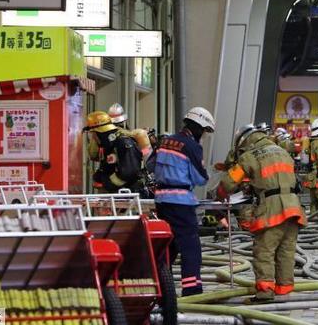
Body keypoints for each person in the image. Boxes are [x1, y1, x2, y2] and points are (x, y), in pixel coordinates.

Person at [219, 124, 305, 304]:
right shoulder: (283, 152)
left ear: (245, 141)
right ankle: (284, 289)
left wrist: (220, 193)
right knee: (286, 251)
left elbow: (228, 184)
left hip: (272, 209)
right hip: (293, 207)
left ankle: (265, 292)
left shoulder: (250, 156)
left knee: (264, 251)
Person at [147, 106, 215, 296]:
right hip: (181, 202)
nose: (204, 135)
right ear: (199, 127)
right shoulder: (191, 146)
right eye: (204, 131)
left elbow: (150, 165)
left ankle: (162, 288)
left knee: (169, 245)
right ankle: (192, 290)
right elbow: (200, 178)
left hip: (161, 200)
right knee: (190, 246)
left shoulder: (165, 141)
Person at [85, 111, 144, 193]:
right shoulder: (108, 144)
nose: (92, 137)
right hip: (116, 192)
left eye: (92, 133)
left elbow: (130, 172)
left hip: (125, 194)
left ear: (99, 132)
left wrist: (107, 182)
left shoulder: (123, 142)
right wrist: (100, 177)